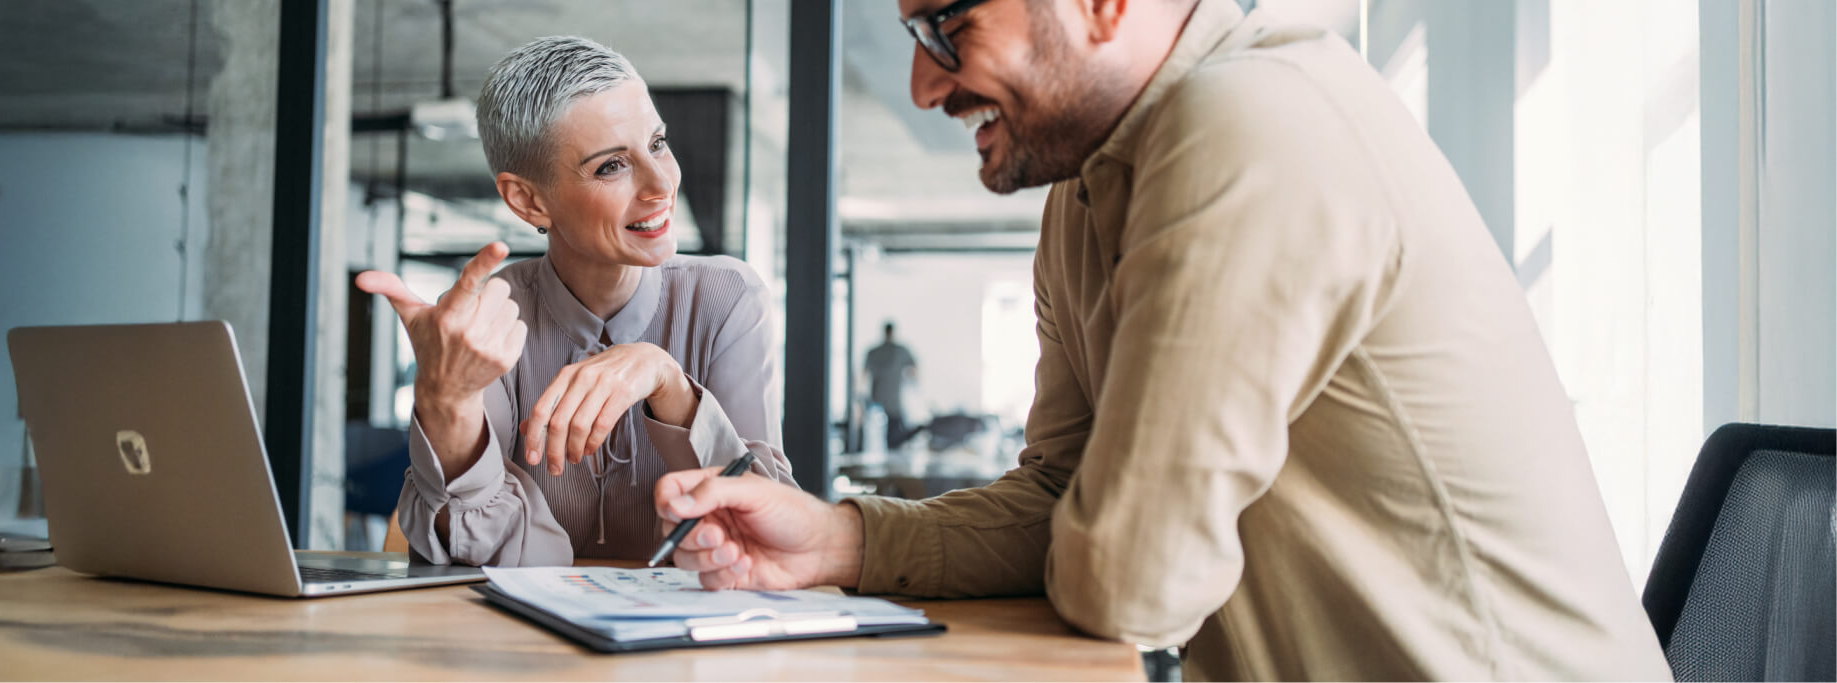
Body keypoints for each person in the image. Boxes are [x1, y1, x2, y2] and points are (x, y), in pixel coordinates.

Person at [654, 0, 1671, 679]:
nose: (926, 83)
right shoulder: (1083, 197)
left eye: (948, 24)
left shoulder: (1251, 122)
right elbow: (1063, 499)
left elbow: (1128, 579)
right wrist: (842, 537)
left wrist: (1091, 531)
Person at [356, 35, 796, 568]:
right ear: (529, 200)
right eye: (612, 166)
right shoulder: (486, 322)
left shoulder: (727, 299)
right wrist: (444, 403)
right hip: (520, 622)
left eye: (657, 143)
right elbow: (485, 557)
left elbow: (771, 534)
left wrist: (670, 385)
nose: (661, 184)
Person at [862, 322, 918, 448]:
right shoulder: (900, 351)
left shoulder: (873, 352)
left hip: (876, 400)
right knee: (894, 440)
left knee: (879, 438)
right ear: (893, 333)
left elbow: (864, 375)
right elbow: (914, 371)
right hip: (893, 403)